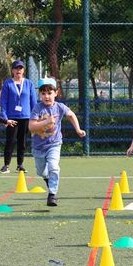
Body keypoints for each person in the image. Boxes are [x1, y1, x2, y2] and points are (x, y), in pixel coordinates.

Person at [29, 78, 86, 207]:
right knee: (41, 172)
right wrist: (47, 122)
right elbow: (31, 127)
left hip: (54, 144)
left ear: (56, 93)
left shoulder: (60, 107)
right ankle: (48, 180)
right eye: (43, 93)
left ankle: (52, 194)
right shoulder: (37, 108)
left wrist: (78, 129)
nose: (46, 96)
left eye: (49, 93)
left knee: (54, 167)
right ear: (40, 95)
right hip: (38, 147)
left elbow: (71, 115)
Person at [0, 59, 37, 174]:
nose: (18, 70)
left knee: (23, 142)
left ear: (23, 70)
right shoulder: (8, 83)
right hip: (11, 118)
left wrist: (34, 117)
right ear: (12, 70)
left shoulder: (29, 83)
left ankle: (20, 164)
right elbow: (3, 102)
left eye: (20, 68)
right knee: (10, 141)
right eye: (16, 68)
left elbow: (33, 102)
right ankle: (6, 165)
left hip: (26, 117)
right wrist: (5, 118)